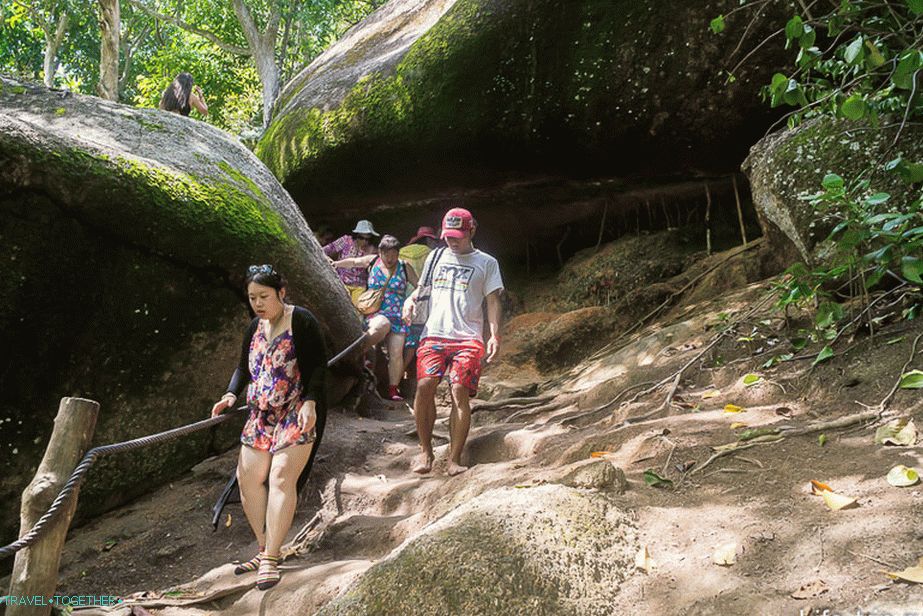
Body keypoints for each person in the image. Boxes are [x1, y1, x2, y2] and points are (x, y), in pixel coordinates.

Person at [210, 265, 327, 590]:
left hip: (295, 410)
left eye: (264, 296)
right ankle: (264, 548)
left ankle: (272, 558)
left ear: (281, 292)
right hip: (260, 415)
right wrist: (231, 394)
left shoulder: (301, 320)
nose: (258, 303)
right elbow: (242, 367)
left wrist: (311, 401)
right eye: (252, 298)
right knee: (249, 481)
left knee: (279, 478)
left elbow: (318, 365)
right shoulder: (254, 327)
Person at [402, 208, 503, 476]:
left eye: (457, 236)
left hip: (468, 337)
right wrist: (409, 302)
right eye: (448, 236)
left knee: (459, 390)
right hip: (434, 333)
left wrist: (494, 334)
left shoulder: (487, 263)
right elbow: (420, 291)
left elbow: (493, 301)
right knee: (424, 386)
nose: (452, 241)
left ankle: (454, 458)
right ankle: (426, 452)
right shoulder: (435, 257)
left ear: (472, 230)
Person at [334, 235, 418, 401]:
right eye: (387, 254)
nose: (390, 258)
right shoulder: (373, 261)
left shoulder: (404, 266)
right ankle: (356, 353)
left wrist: (411, 299)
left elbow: (419, 286)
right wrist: (336, 264)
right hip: (376, 312)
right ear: (380, 252)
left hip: (398, 315)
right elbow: (355, 262)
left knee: (396, 352)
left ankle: (393, 390)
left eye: (394, 254)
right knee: (382, 324)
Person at [399, 226, 440, 372]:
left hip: (399, 297)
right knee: (416, 335)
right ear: (428, 240)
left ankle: (397, 371)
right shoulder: (431, 253)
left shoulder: (402, 251)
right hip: (420, 297)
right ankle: (406, 370)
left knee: (399, 336)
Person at [322, 220, 379, 304]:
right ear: (356, 235)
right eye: (361, 238)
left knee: (358, 308)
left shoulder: (373, 250)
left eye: (367, 239)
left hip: (359, 286)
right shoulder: (346, 241)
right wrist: (328, 260)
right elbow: (326, 250)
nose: (364, 241)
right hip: (341, 282)